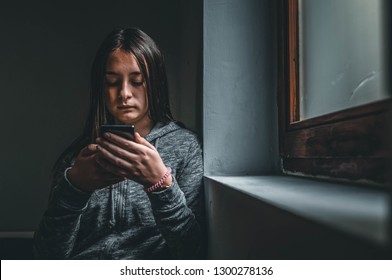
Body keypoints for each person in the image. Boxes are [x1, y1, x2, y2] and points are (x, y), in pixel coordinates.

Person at [34, 27, 204, 259]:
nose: (124, 93)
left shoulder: (185, 148)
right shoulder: (79, 159)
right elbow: (46, 257)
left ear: (155, 83)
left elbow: (191, 252)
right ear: (101, 88)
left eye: (137, 81)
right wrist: (74, 189)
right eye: (112, 82)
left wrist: (161, 184)